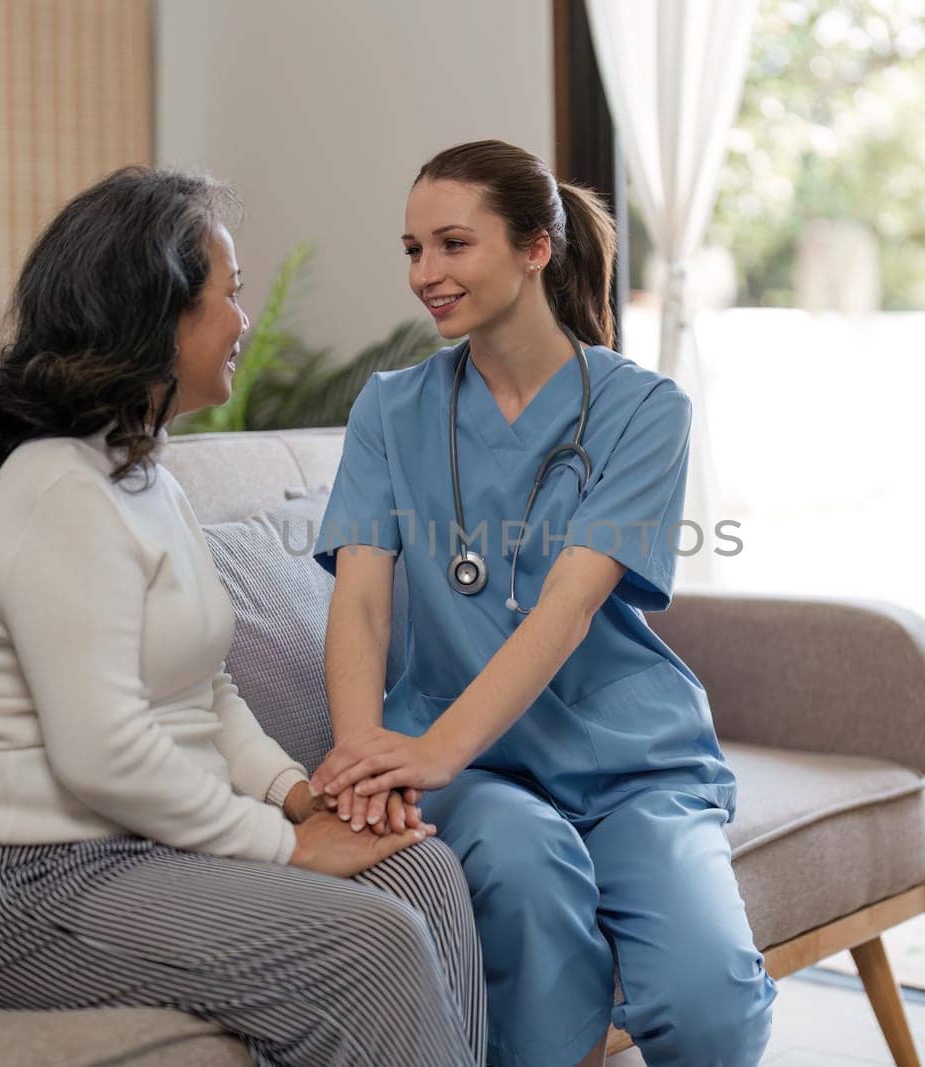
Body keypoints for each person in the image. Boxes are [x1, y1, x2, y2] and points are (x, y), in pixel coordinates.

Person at [0, 166, 486, 1067]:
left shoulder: (145, 477)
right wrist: (284, 849)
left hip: (135, 850)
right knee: (373, 948)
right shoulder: (58, 487)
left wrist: (302, 796)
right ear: (154, 314)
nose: (244, 321)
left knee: (423, 870)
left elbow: (206, 692)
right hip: (11, 883)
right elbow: (101, 749)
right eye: (229, 294)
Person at [308, 140, 777, 1067]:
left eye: (452, 244)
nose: (426, 275)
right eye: (412, 250)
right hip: (479, 775)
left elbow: (565, 608)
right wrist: (366, 762)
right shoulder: (390, 409)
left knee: (709, 1003)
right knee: (528, 891)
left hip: (628, 758)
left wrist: (432, 750)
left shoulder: (645, 410)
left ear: (536, 248)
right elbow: (362, 605)